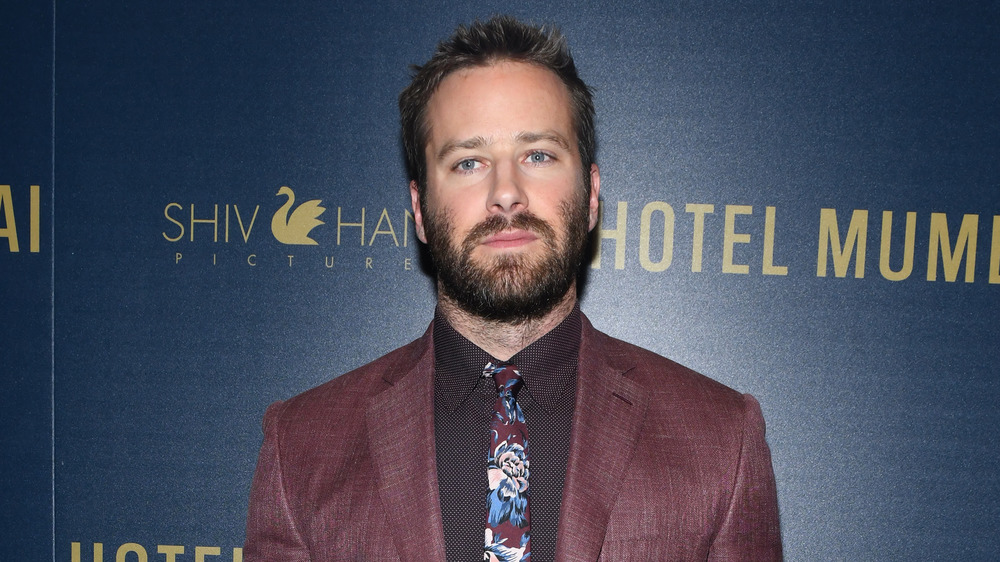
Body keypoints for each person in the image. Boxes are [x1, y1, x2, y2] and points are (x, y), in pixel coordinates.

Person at [244, 15, 782, 561]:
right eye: (469, 162)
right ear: (419, 210)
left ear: (592, 194)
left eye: (538, 155)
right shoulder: (303, 448)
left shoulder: (720, 440)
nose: (506, 194)